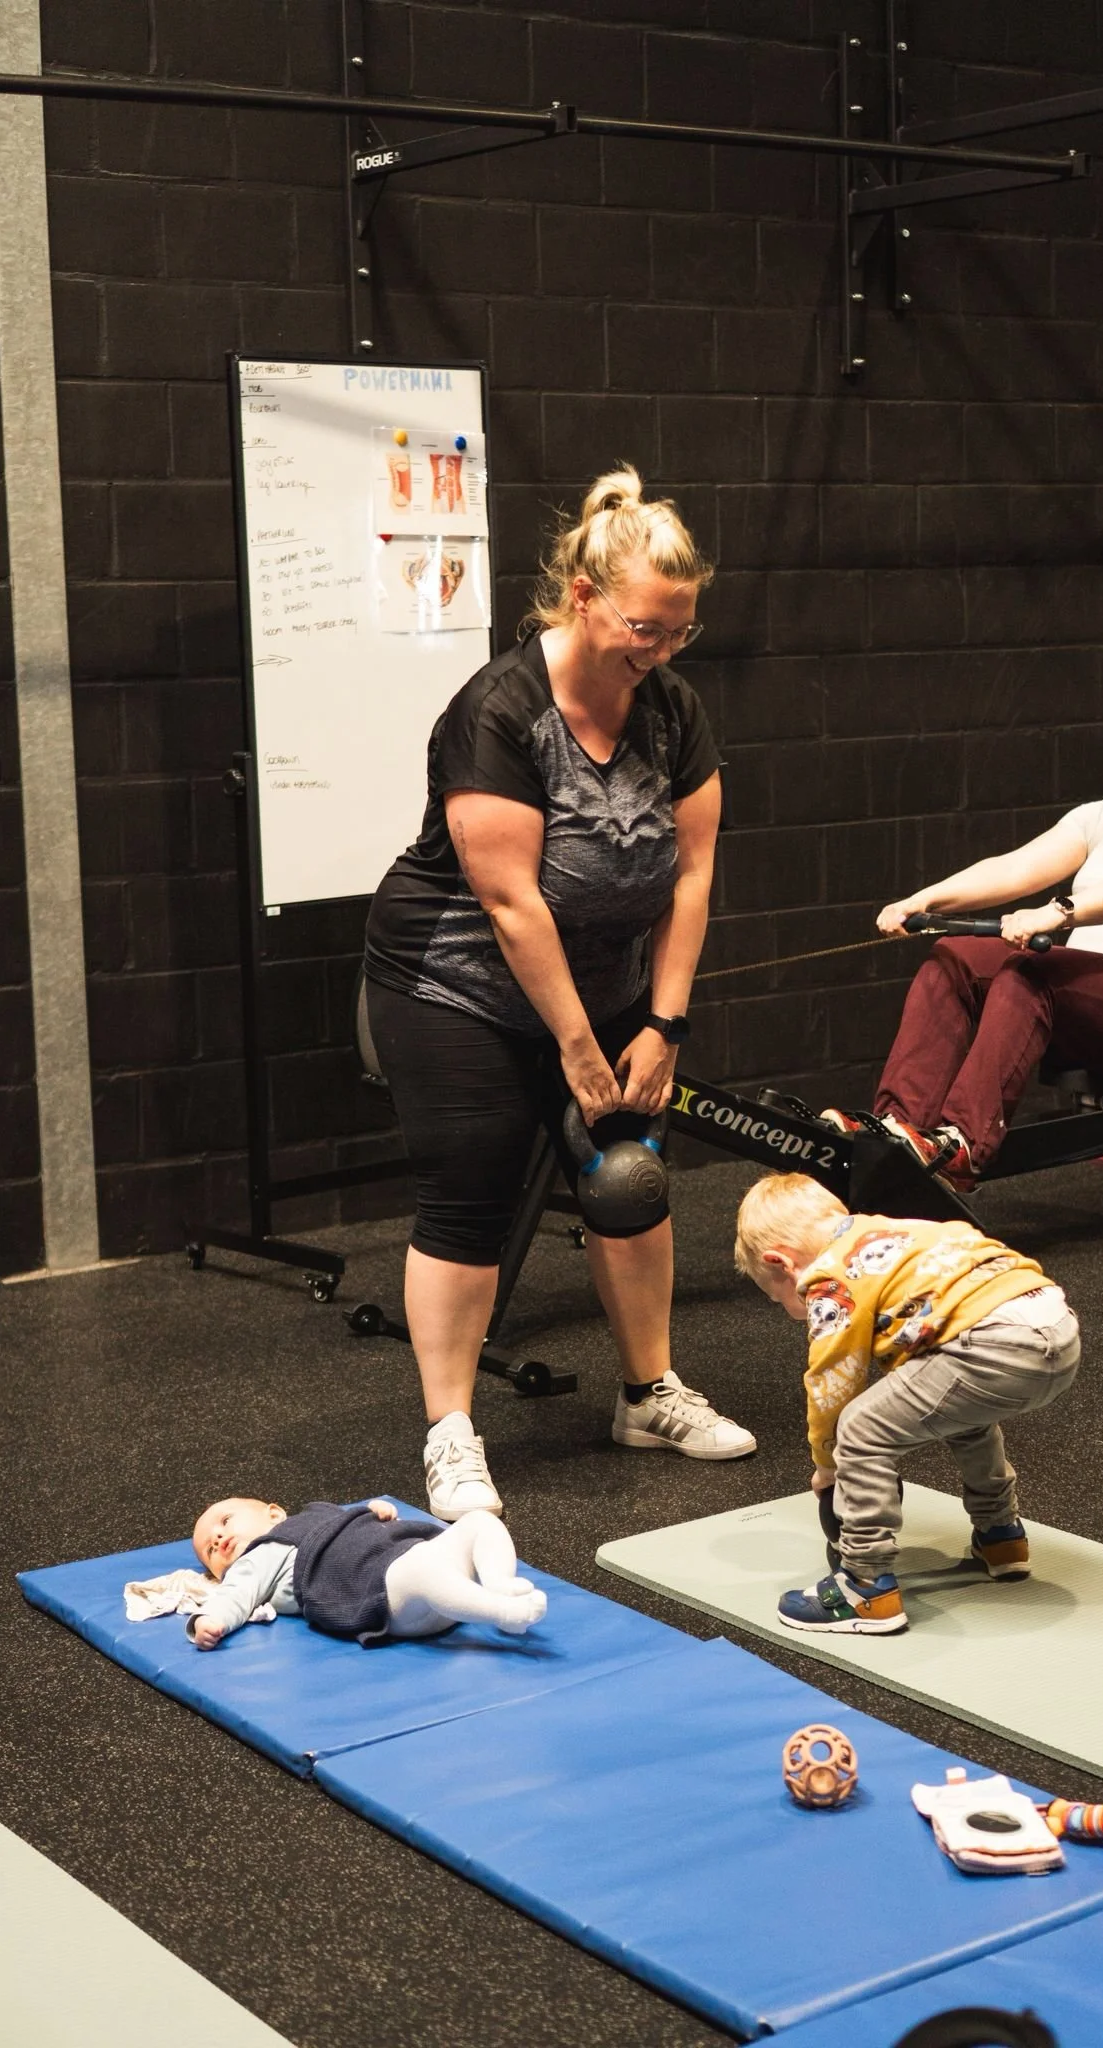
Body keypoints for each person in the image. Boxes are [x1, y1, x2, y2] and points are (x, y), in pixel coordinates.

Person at [363, 467, 756, 1523]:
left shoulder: (672, 710)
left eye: (679, 631)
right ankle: (450, 1432)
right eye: (643, 626)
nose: (660, 650)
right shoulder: (500, 709)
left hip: (610, 979)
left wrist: (664, 1022)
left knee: (630, 1176)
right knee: (473, 1188)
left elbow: (691, 872)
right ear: (583, 598)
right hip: (456, 984)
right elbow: (510, 901)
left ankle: (648, 1391)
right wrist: (581, 1053)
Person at [837, 682, 1103, 1190]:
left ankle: (963, 1145)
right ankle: (899, 1128)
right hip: (1090, 1008)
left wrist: (1059, 913)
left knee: (1035, 969)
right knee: (955, 957)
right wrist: (925, 899)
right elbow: (1015, 868)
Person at [734, 1173, 1080, 1637]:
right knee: (964, 1417)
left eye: (780, 1296)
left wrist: (828, 1464)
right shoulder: (899, 1232)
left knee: (858, 1430)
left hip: (995, 1343)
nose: (791, 1305)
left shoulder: (830, 1275)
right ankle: (1001, 1539)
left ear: (781, 1262)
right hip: (1056, 1324)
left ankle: (864, 1586)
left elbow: (832, 1382)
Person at [189, 1496, 547, 1649]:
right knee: (423, 1569)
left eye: (224, 1521)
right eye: (209, 1548)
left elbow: (355, 1523)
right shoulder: (258, 1558)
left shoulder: (319, 1512)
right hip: (390, 1597)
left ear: (273, 1513)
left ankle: (500, 1585)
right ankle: (500, 1611)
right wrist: (209, 1620)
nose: (217, 1537)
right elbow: (233, 1595)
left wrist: (372, 1511)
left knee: (480, 1523)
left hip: (421, 1559)